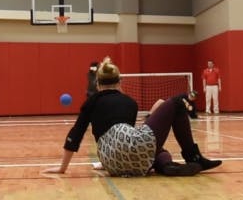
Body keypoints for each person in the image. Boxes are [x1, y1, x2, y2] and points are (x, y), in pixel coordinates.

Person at [44, 57, 221, 177]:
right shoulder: (130, 103)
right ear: (120, 82)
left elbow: (76, 134)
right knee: (177, 102)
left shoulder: (91, 102)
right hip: (135, 156)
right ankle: (193, 158)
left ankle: (166, 165)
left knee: (150, 147)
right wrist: (153, 114)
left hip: (110, 163)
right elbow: (131, 137)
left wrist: (62, 168)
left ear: (97, 84)